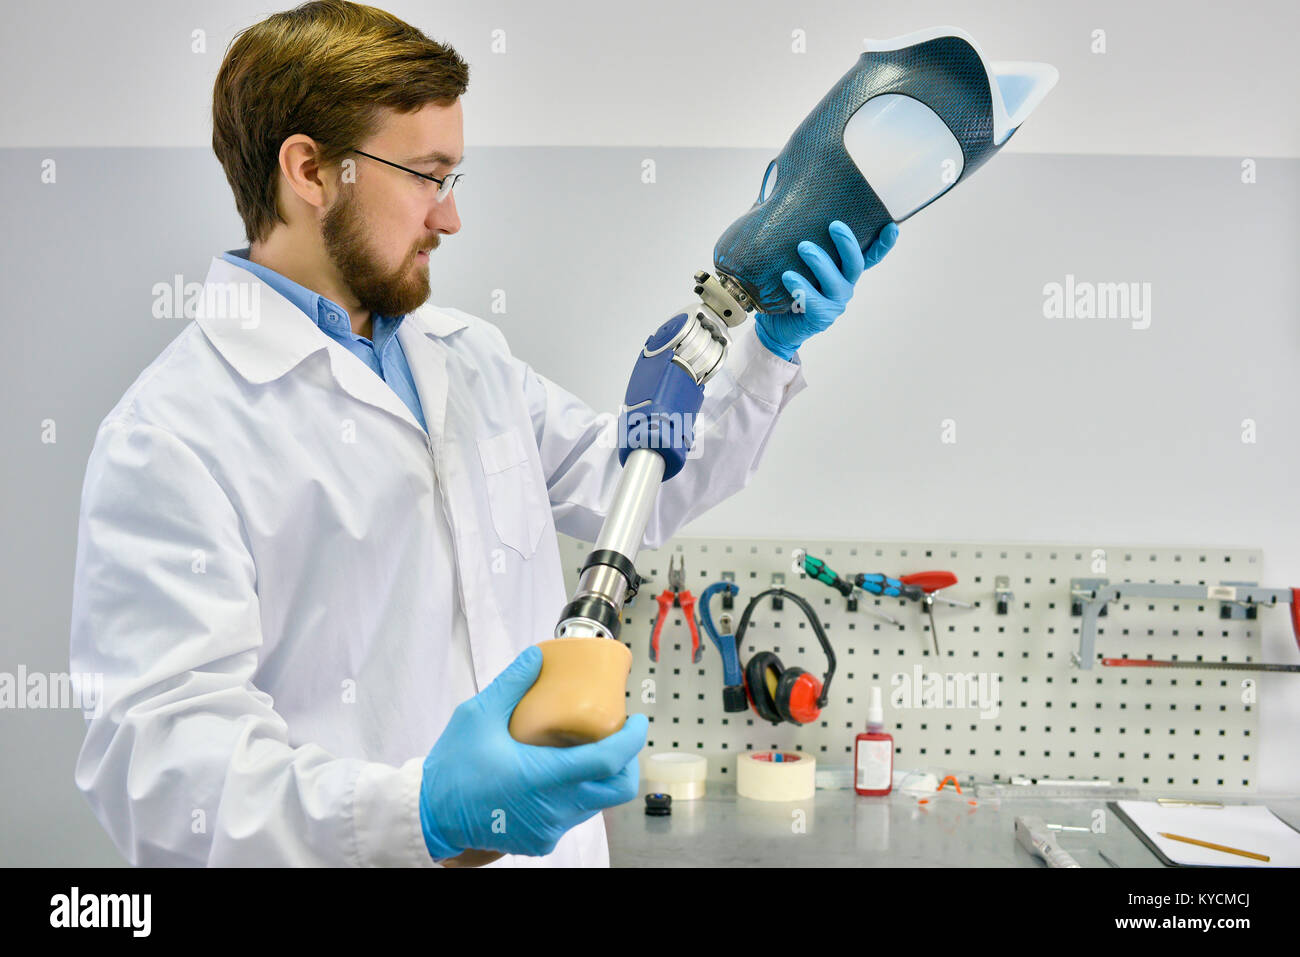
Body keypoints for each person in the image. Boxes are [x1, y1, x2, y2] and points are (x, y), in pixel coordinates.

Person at [68, 0, 897, 867]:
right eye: (428, 176)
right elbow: (162, 775)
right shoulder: (172, 433)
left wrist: (769, 349)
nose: (450, 217)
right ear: (310, 171)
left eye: (453, 179)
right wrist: (419, 811)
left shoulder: (469, 360)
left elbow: (637, 492)